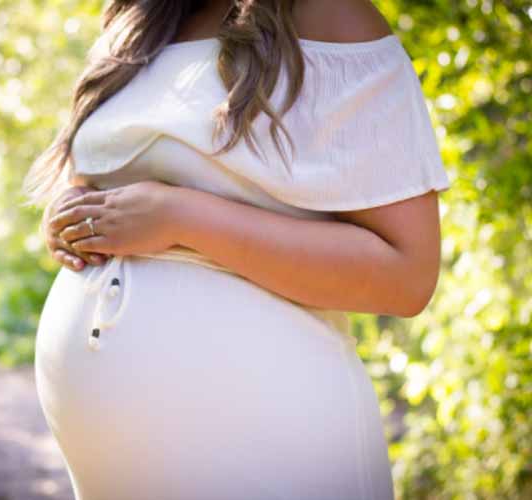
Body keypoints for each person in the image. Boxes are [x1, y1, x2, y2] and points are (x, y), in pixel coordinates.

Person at [22, 1, 451, 499]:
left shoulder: (331, 16)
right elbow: (106, 180)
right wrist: (71, 213)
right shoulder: (142, 22)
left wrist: (183, 218)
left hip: (276, 445)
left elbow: (407, 274)